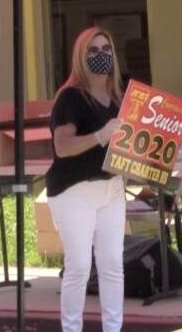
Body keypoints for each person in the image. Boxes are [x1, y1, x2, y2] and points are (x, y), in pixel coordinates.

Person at [46, 26, 126, 332]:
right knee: (79, 266)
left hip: (111, 188)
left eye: (106, 49)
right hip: (74, 191)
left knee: (112, 265)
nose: (101, 56)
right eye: (92, 51)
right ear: (81, 57)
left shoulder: (119, 97)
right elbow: (62, 147)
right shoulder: (71, 98)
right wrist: (99, 136)